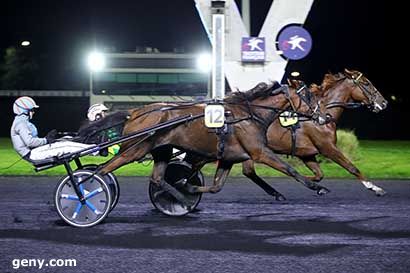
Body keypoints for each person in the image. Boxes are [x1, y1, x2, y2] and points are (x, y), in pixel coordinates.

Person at [10, 96, 96, 162]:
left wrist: (48, 140)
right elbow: (29, 142)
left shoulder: (21, 122)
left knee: (66, 140)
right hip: (32, 154)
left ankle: (92, 147)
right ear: (25, 111)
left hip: (34, 151)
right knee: (66, 146)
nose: (33, 112)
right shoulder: (21, 123)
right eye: (32, 110)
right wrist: (46, 140)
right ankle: (95, 150)